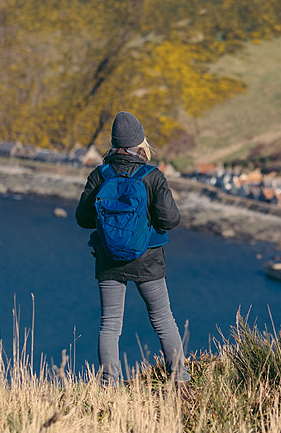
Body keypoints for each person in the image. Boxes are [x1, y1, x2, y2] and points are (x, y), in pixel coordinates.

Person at [75, 111, 189, 388]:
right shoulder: (152, 176)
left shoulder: (100, 174)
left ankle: (108, 384)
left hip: (108, 259)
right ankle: (181, 381)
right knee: (163, 319)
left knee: (110, 325)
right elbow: (171, 220)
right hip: (148, 258)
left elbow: (83, 219)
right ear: (141, 143)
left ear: (113, 144)